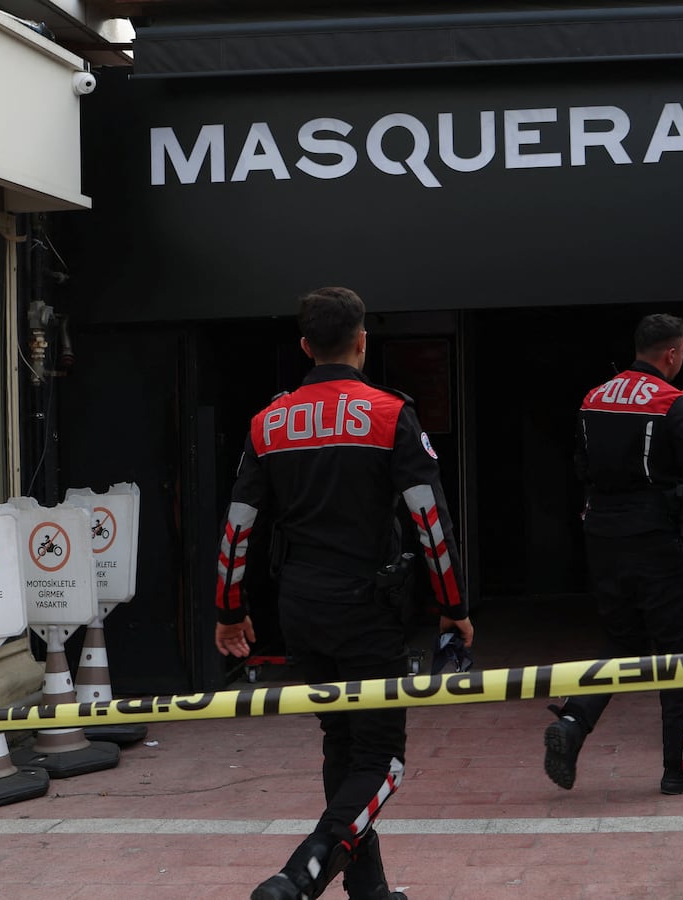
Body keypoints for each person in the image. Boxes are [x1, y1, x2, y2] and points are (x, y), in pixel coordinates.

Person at [214, 287, 473, 900]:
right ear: (362, 340)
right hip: (367, 608)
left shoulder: (267, 421)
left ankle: (370, 891)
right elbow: (429, 522)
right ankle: (300, 875)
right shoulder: (389, 414)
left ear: (306, 347)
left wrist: (229, 612)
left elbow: (237, 526)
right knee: (383, 759)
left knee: (342, 741)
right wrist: (454, 607)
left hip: (300, 609)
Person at [544, 313, 683, 795]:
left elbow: (580, 465)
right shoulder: (676, 403)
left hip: (603, 537)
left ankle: (572, 721)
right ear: (671, 353)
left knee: (623, 644)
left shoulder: (594, 396)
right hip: (658, 542)